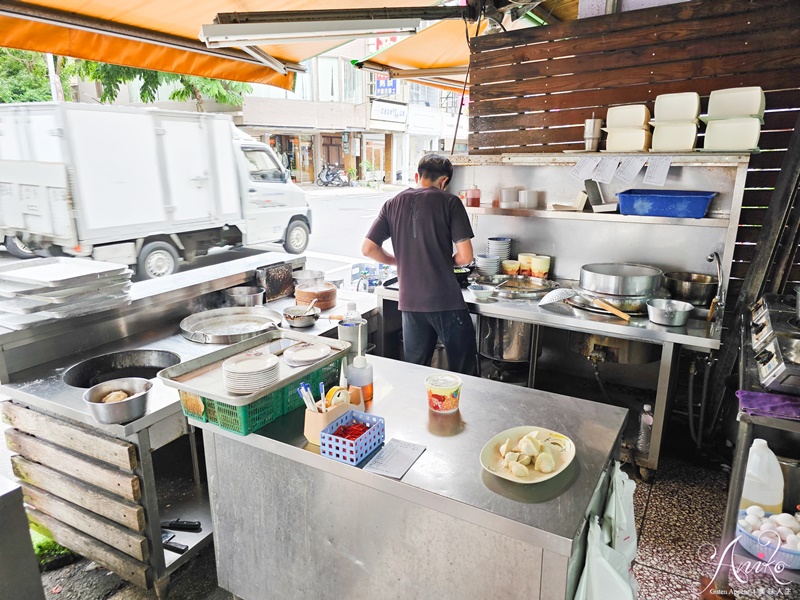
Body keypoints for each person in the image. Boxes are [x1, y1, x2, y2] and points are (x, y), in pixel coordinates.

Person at [362, 154, 478, 375]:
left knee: (415, 372)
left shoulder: (392, 203)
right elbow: (465, 257)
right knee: (465, 370)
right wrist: (445, 261)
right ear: (444, 181)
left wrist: (399, 261)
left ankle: (418, 409)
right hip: (445, 301)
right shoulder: (450, 202)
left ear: (417, 176)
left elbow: (368, 249)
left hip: (410, 302)